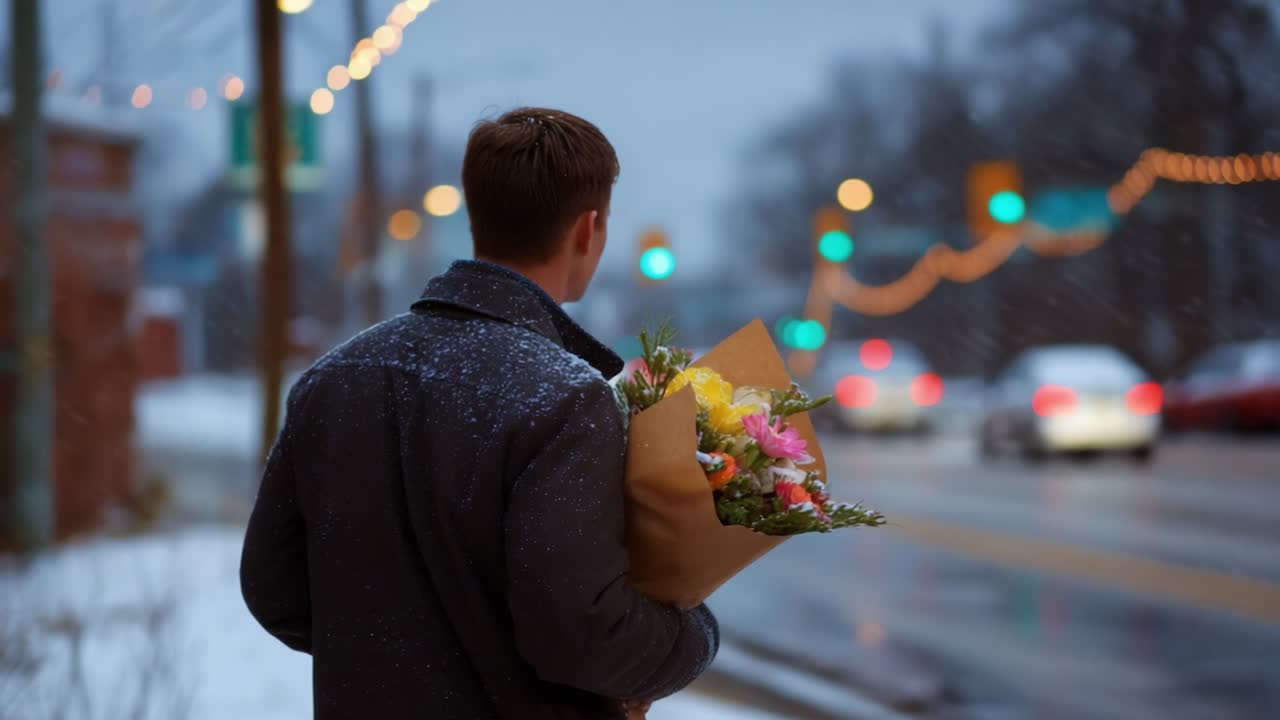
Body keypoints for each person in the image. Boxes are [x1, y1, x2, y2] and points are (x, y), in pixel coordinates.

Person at [240, 107, 719, 719]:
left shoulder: (333, 379)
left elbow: (273, 590)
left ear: (477, 215)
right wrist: (695, 634)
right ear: (587, 230)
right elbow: (582, 634)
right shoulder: (565, 397)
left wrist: (391, 657)